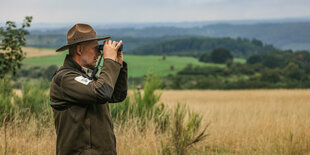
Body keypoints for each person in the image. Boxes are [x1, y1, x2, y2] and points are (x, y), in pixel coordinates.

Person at [50, 23, 128, 155]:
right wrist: (109, 61)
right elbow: (102, 93)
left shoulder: (86, 77)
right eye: (96, 48)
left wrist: (118, 66)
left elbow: (116, 96)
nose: (99, 53)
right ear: (79, 50)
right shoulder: (65, 79)